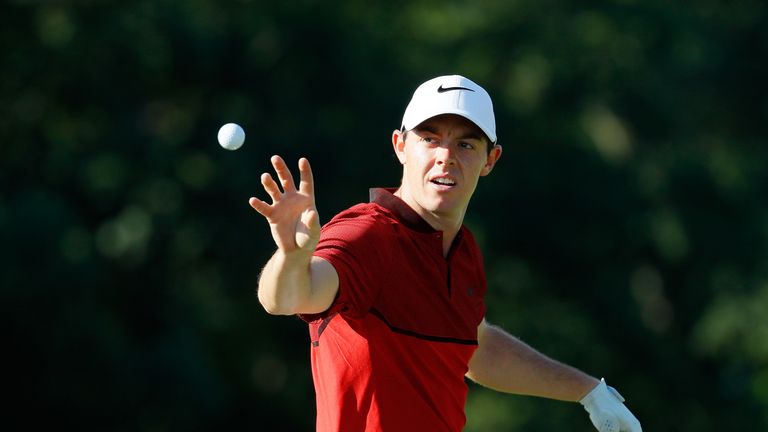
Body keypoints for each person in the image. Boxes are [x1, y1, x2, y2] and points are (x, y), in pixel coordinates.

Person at [249, 75, 642, 432]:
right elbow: (286, 298)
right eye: (429, 139)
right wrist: (292, 256)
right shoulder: (367, 235)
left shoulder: (461, 251)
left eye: (465, 144)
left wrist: (588, 391)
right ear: (400, 146)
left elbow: (475, 347)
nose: (445, 156)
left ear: (491, 160)